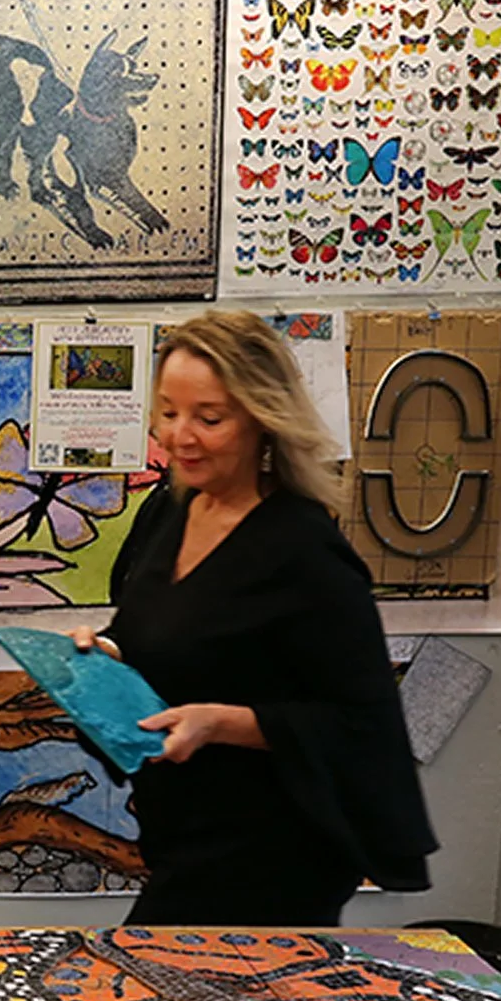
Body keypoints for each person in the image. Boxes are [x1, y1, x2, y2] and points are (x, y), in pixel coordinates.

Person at [73, 311, 435, 925]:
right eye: (167, 412)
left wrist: (224, 723)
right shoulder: (170, 515)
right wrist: (102, 657)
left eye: (208, 418)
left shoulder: (303, 549)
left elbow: (360, 722)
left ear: (262, 420)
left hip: (276, 850)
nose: (178, 435)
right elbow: (155, 641)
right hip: (185, 834)